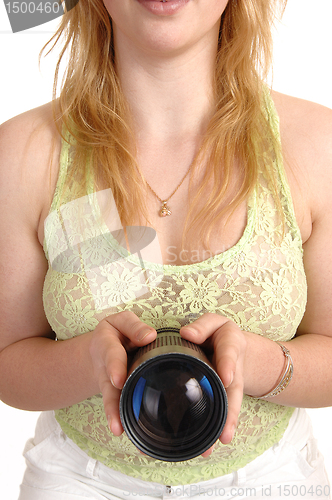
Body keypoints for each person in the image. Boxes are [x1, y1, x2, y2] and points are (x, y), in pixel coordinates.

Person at [0, 0, 331, 498]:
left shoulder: (315, 145)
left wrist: (254, 364)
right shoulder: (26, 152)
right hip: (79, 481)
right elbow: (8, 365)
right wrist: (89, 362)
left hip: (269, 480)